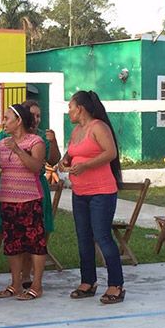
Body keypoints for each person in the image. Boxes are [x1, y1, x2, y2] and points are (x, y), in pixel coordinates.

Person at [0, 100, 61, 288]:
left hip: (31, 195)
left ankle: (30, 279)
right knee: (6, 237)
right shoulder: (4, 139)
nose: (36, 119)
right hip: (6, 195)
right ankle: (8, 280)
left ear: (18, 120)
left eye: (6, 118)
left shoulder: (38, 139)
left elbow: (43, 164)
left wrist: (20, 149)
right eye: (33, 115)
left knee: (33, 238)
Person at [58, 90, 125, 304]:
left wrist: (86, 165)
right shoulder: (77, 130)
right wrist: (64, 162)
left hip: (101, 192)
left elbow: (110, 153)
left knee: (102, 236)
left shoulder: (98, 127)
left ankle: (116, 285)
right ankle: (88, 281)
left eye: (70, 106)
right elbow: (70, 154)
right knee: (83, 236)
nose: (68, 111)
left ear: (81, 108)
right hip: (80, 192)